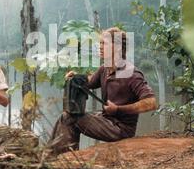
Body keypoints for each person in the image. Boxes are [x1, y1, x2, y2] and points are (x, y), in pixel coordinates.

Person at [47, 27, 158, 156]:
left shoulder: (131, 74)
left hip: (120, 129)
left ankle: (61, 159)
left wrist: (118, 109)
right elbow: (90, 82)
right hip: (106, 119)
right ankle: (55, 156)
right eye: (99, 43)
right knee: (67, 115)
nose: (99, 47)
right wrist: (76, 77)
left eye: (103, 43)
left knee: (70, 118)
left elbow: (151, 102)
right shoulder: (105, 69)